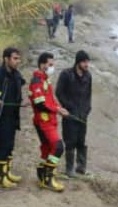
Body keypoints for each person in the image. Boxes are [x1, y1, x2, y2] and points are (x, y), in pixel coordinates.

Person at [0, 46, 26, 188]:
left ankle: (7, 172)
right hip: (1, 116)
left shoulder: (15, 74)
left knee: (10, 145)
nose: (18, 61)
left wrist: (22, 102)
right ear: (6, 59)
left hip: (13, 115)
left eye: (19, 58)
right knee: (2, 146)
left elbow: (19, 88)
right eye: (15, 58)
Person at [29, 51, 68, 192]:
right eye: (50, 64)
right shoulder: (37, 81)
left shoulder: (45, 79)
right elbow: (40, 104)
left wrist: (58, 108)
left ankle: (42, 174)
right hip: (43, 121)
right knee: (58, 147)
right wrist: (57, 110)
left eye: (53, 64)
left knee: (47, 148)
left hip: (49, 120)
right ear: (42, 64)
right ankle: (48, 178)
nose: (52, 67)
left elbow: (49, 99)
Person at [56, 51, 93, 179]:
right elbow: (59, 92)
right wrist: (68, 107)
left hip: (83, 115)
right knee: (70, 141)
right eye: (84, 62)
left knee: (81, 141)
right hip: (70, 115)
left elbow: (89, 95)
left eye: (87, 62)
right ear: (78, 62)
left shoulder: (88, 76)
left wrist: (87, 109)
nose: (86, 64)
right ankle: (69, 169)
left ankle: (81, 168)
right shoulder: (66, 74)